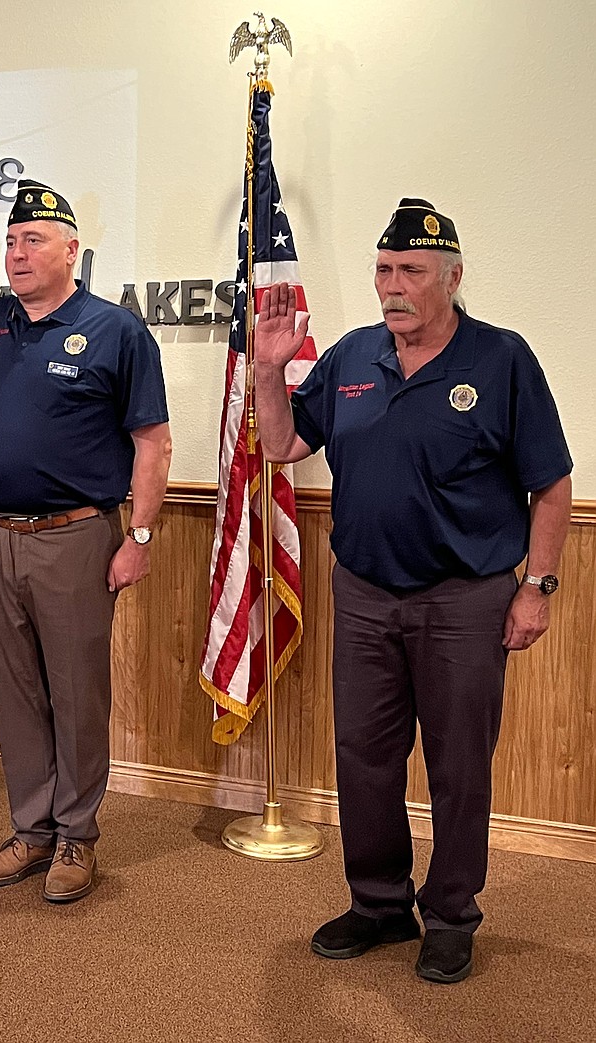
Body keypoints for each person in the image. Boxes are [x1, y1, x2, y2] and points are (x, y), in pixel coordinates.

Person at [253, 198, 572, 983]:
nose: (392, 287)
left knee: (459, 766)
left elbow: (553, 484)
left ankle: (453, 912)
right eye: (385, 270)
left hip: (465, 599)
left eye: (411, 272)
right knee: (363, 757)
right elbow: (283, 442)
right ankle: (379, 903)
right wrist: (267, 370)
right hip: (363, 593)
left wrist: (536, 586)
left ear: (453, 278)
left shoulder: (502, 359)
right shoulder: (355, 356)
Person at [0, 180, 172, 902]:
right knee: (15, 691)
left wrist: (139, 534)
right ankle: (32, 830)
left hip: (75, 539)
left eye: (34, 241)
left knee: (78, 695)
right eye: (12, 241)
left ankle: (78, 838)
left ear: (72, 251)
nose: (18, 254)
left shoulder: (116, 331)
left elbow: (154, 442)